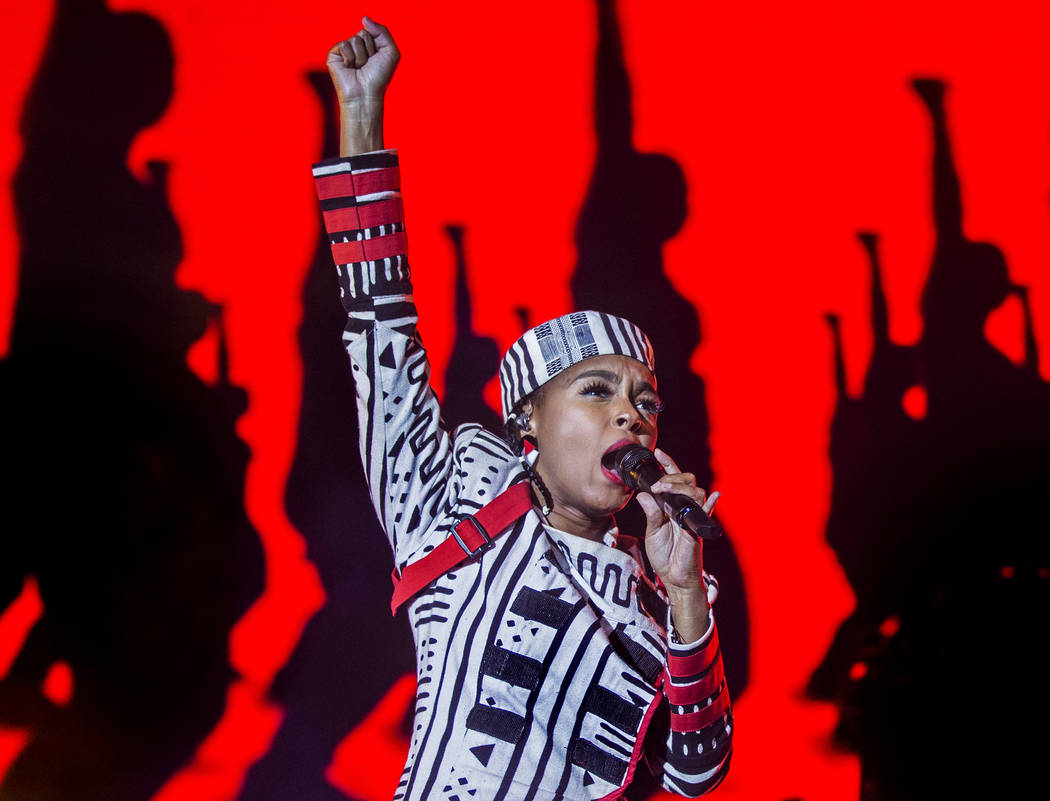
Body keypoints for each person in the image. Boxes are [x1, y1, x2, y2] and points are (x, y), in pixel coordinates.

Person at [313, 17, 733, 799]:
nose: (632, 416)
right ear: (528, 422)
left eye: (645, 400)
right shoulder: (449, 512)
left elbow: (695, 775)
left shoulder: (658, 595)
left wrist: (682, 594)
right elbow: (381, 334)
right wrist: (362, 115)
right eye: (597, 390)